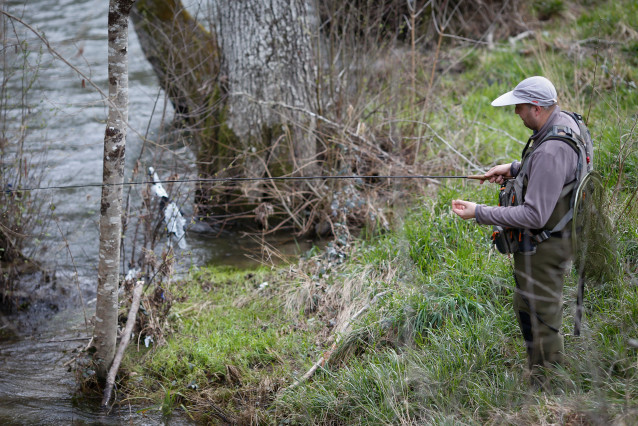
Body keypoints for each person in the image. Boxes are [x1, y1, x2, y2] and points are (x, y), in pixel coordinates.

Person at [451, 76, 583, 386]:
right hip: (558, 234)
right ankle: (536, 369)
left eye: (519, 107)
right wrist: (513, 169)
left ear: (537, 108)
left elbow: (534, 214)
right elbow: (554, 172)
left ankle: (550, 385)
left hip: (547, 241)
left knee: (543, 314)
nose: (516, 113)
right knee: (525, 303)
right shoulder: (564, 122)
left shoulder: (550, 151)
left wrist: (479, 212)